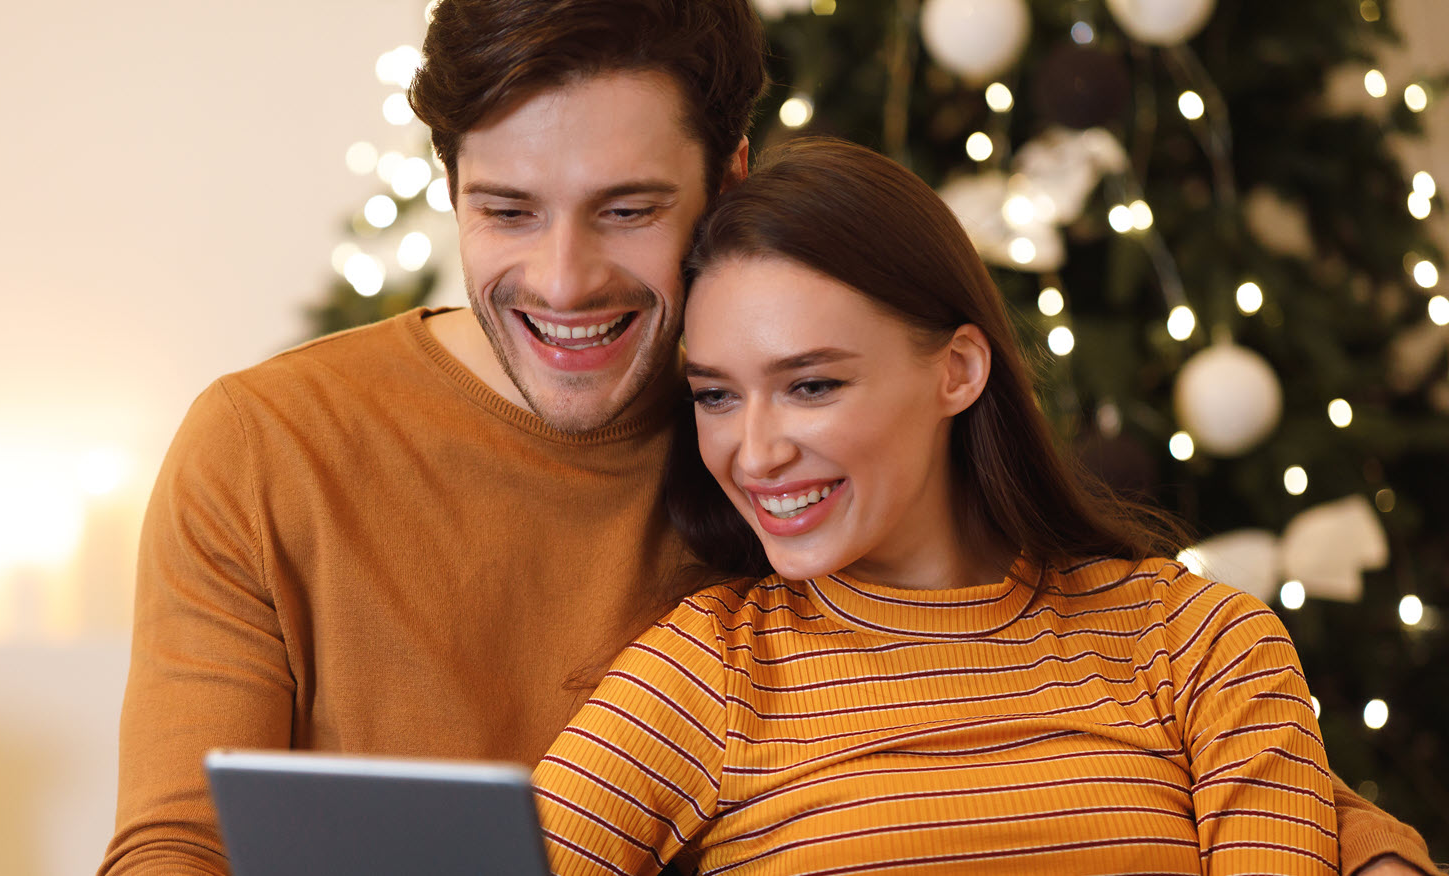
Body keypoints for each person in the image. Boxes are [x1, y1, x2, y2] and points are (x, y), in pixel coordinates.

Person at [100, 1, 1437, 873]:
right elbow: (175, 846)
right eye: (508, 211)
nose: (563, 283)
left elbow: (1271, 789)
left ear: (727, 178)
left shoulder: (1156, 627)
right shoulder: (269, 449)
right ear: (453, 191)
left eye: (626, 210)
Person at [532, 137, 1439, 876]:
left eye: (811, 385)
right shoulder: (706, 673)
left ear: (958, 370)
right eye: (717, 395)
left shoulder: (1199, 643)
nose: (755, 452)